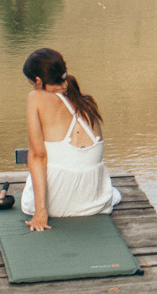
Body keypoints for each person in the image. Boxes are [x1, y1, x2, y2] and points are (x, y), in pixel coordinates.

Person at [18, 47, 121, 231]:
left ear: (38, 81)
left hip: (57, 205)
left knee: (29, 187)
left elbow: (38, 157)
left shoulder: (36, 98)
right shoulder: (86, 102)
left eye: (31, 83)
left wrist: (41, 212)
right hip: (93, 203)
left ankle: (41, 207)